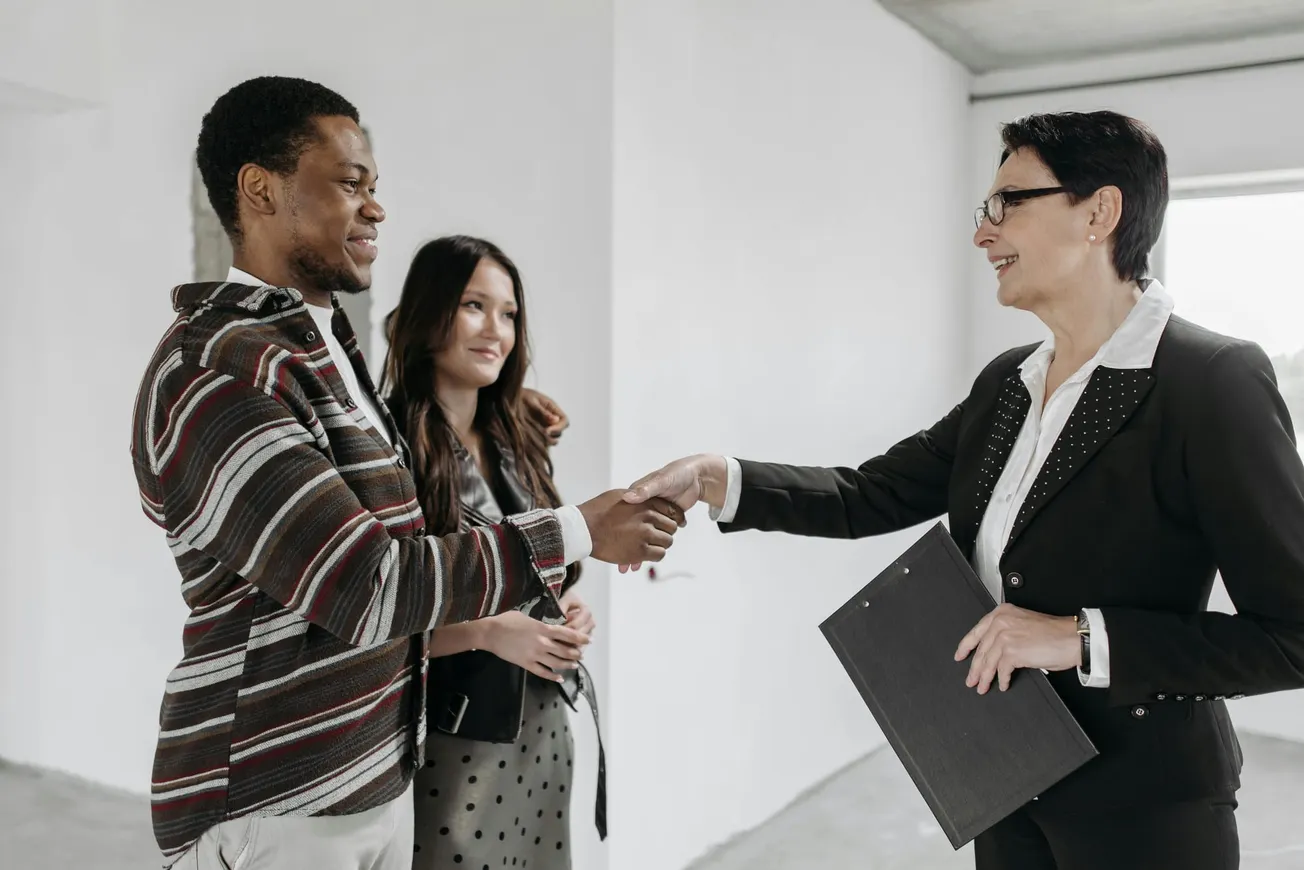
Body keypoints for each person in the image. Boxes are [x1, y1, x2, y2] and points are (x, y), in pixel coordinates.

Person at [622, 110, 1304, 870]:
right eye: (986, 208)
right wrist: (720, 478)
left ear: (1099, 213)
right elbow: (866, 494)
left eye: (1010, 202)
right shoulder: (1007, 384)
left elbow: (1294, 634)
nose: (984, 233)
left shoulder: (1211, 381)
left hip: (1143, 807)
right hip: (1005, 776)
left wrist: (1077, 636)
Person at [129, 76, 682, 870]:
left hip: (379, 774)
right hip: (278, 795)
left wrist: (517, 413)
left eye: (375, 188)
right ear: (259, 190)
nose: (377, 208)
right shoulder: (220, 370)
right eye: (351, 185)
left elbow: (408, 530)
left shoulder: (320, 351)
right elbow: (369, 583)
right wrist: (579, 528)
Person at [381, 235, 600, 870]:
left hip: (543, 724)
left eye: (508, 313)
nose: (495, 330)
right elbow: (374, 612)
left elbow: (540, 569)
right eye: (474, 305)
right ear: (427, 316)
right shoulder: (390, 447)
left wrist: (566, 609)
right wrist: (490, 632)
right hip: (453, 736)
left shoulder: (517, 436)